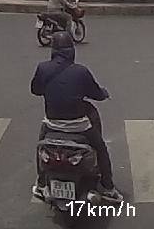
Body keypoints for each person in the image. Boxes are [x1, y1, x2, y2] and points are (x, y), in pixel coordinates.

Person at [30, 32, 121, 203]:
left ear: (53, 50)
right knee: (101, 148)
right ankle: (108, 188)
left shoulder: (43, 68)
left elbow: (35, 90)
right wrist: (104, 93)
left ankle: (41, 184)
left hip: (52, 124)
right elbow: (96, 93)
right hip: (79, 126)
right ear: (71, 51)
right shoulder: (81, 71)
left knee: (40, 146)